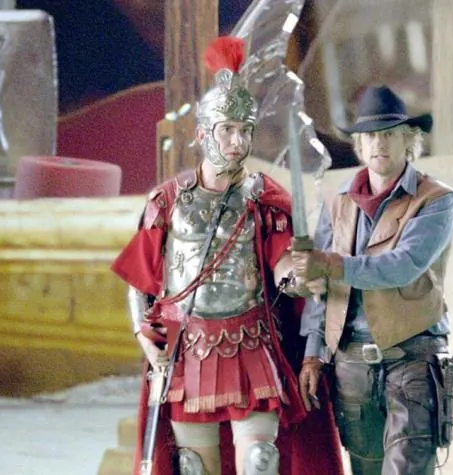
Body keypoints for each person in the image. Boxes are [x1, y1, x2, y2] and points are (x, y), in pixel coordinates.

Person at [111, 36, 342, 475]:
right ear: (203, 134)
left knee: (259, 461)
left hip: (251, 341)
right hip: (187, 346)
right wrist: (144, 336)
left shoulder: (265, 198)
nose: (237, 141)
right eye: (227, 129)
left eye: (245, 130)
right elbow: (139, 280)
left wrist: (298, 276)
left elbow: (281, 266)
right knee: (195, 467)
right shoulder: (167, 200)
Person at [291, 85, 453, 474]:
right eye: (370, 135)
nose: (379, 144)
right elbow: (320, 291)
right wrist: (313, 353)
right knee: (365, 469)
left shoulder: (435, 200)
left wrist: (330, 263)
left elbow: (402, 265)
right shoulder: (338, 202)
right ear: (359, 144)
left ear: (408, 139)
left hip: (413, 359)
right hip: (351, 364)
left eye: (389, 133)